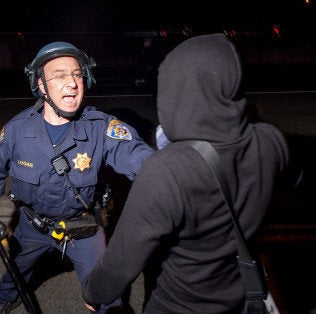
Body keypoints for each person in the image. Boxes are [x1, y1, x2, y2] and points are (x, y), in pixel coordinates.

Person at [82, 33, 290, 313]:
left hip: (179, 304)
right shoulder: (270, 140)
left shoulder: (167, 169)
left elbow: (122, 260)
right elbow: (293, 182)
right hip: (242, 292)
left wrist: (93, 291)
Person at [0, 41, 154, 313]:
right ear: (41, 86)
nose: (72, 83)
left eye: (77, 75)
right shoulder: (16, 131)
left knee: (106, 292)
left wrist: (175, 172)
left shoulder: (101, 128)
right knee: (16, 272)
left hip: (83, 229)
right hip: (32, 226)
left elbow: (140, 159)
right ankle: (5, 299)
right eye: (60, 76)